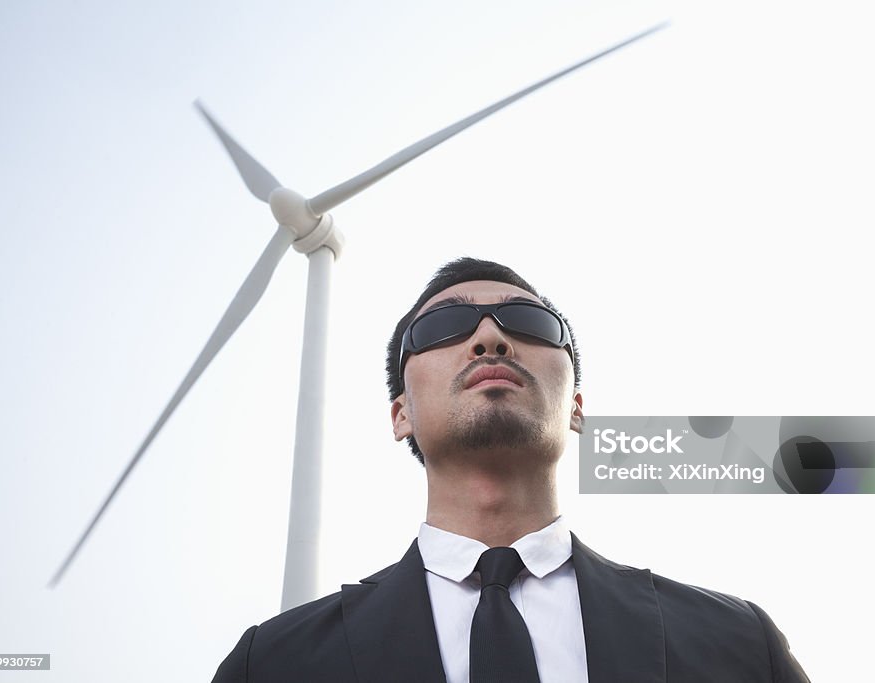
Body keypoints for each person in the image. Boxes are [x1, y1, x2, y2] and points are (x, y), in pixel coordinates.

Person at [211, 257, 811, 682]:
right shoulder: (271, 665)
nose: (491, 337)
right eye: (444, 326)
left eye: (530, 323)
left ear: (577, 406)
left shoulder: (736, 644)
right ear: (401, 414)